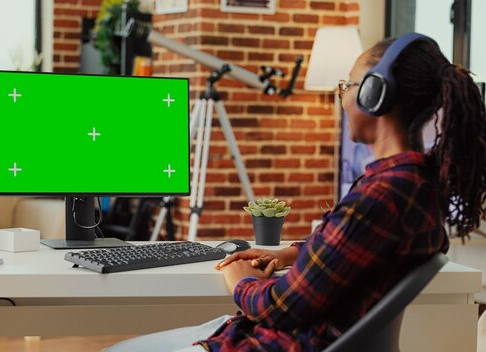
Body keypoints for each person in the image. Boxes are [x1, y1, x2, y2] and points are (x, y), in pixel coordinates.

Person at [105, 33, 486, 351]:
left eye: (347, 85)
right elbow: (357, 253)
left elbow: (280, 306)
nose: (342, 97)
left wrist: (240, 280)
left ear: (375, 94)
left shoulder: (383, 194)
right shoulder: (415, 185)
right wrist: (290, 251)